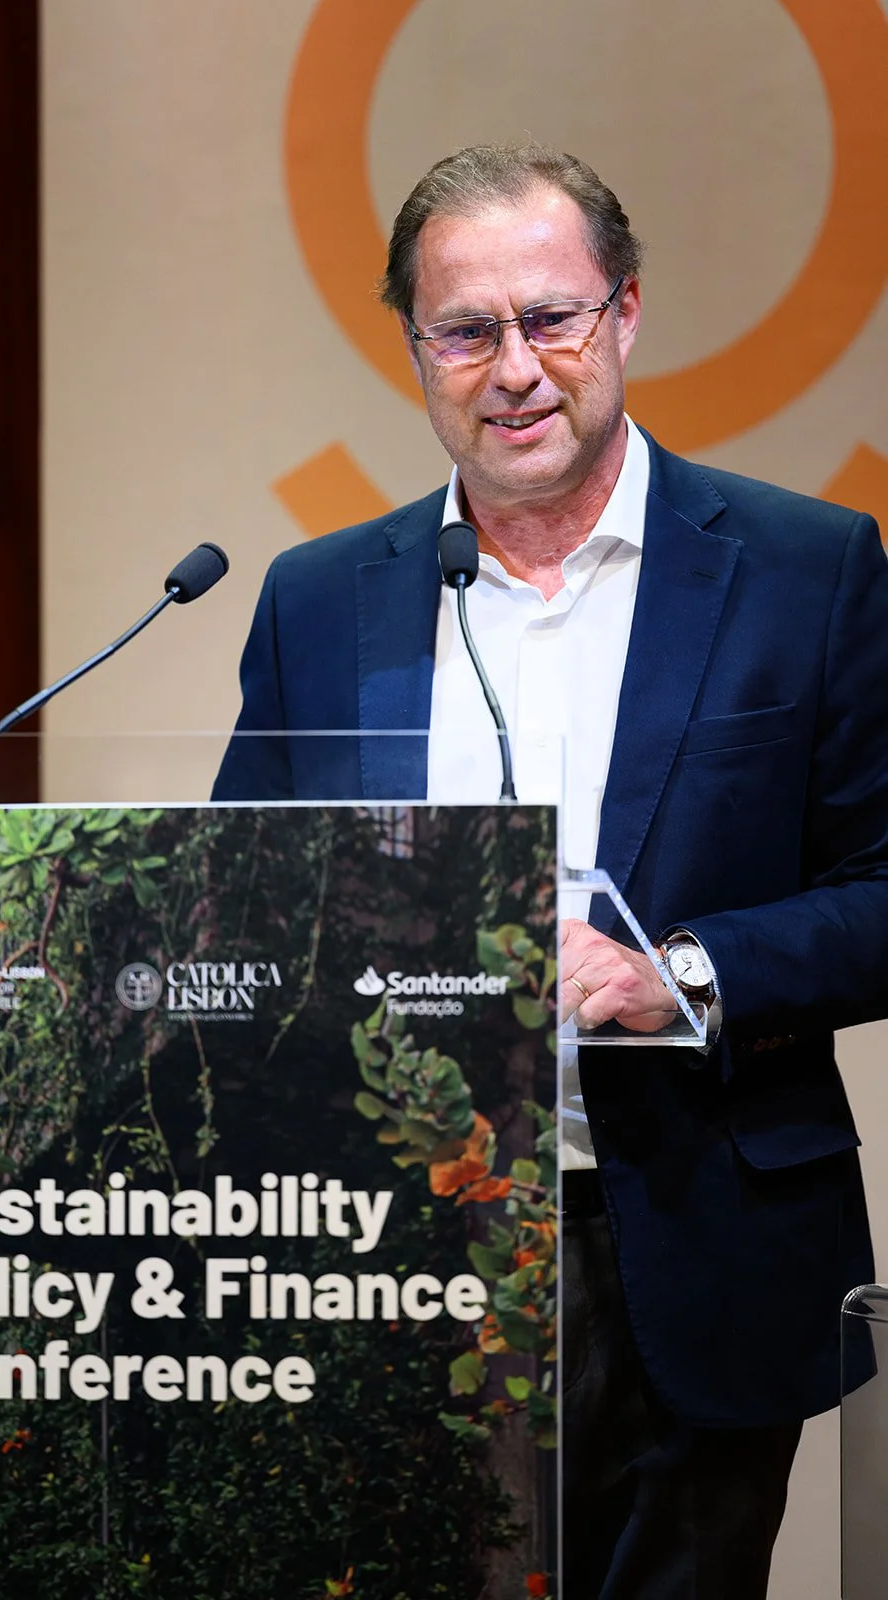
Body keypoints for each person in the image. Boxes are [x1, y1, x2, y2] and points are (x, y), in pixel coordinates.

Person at [213, 142, 888, 1597]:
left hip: (688, 1241)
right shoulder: (317, 600)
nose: (513, 368)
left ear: (625, 314)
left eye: (552, 318)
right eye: (465, 330)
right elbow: (241, 907)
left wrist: (678, 974)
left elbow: (885, 890)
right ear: (414, 349)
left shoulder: (801, 568)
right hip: (392, 1258)